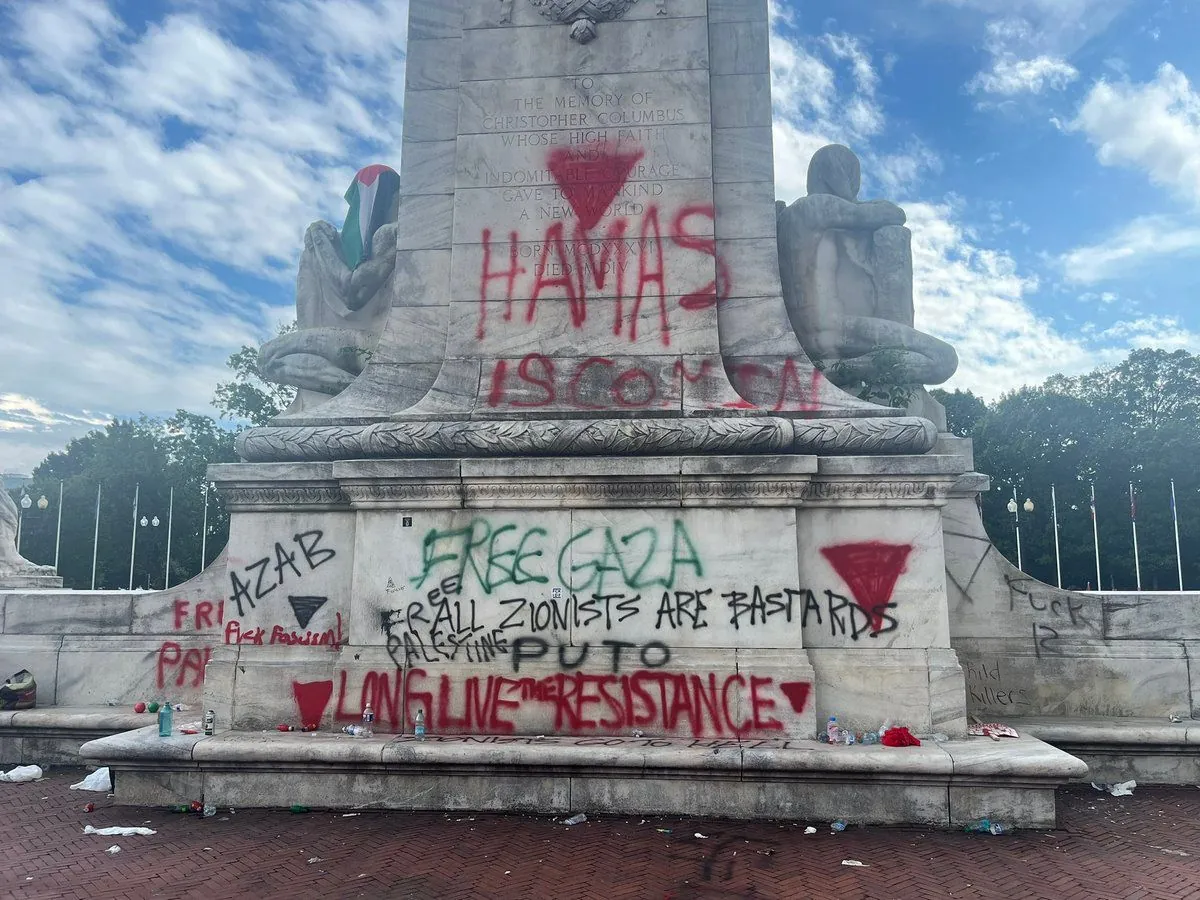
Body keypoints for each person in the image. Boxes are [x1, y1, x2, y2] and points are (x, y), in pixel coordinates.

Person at [777, 144, 957, 393]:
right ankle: (836, 371)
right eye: (851, 177)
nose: (854, 187)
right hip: (834, 329)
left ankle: (833, 369)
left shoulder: (789, 218)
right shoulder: (816, 207)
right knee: (943, 359)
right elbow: (893, 214)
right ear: (839, 175)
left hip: (807, 333)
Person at [260, 164, 401, 411]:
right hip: (356, 342)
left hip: (374, 345)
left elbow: (353, 293)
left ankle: (372, 392)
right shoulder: (354, 244)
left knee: (271, 357)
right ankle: (363, 390)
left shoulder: (390, 234)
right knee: (271, 360)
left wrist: (321, 244)